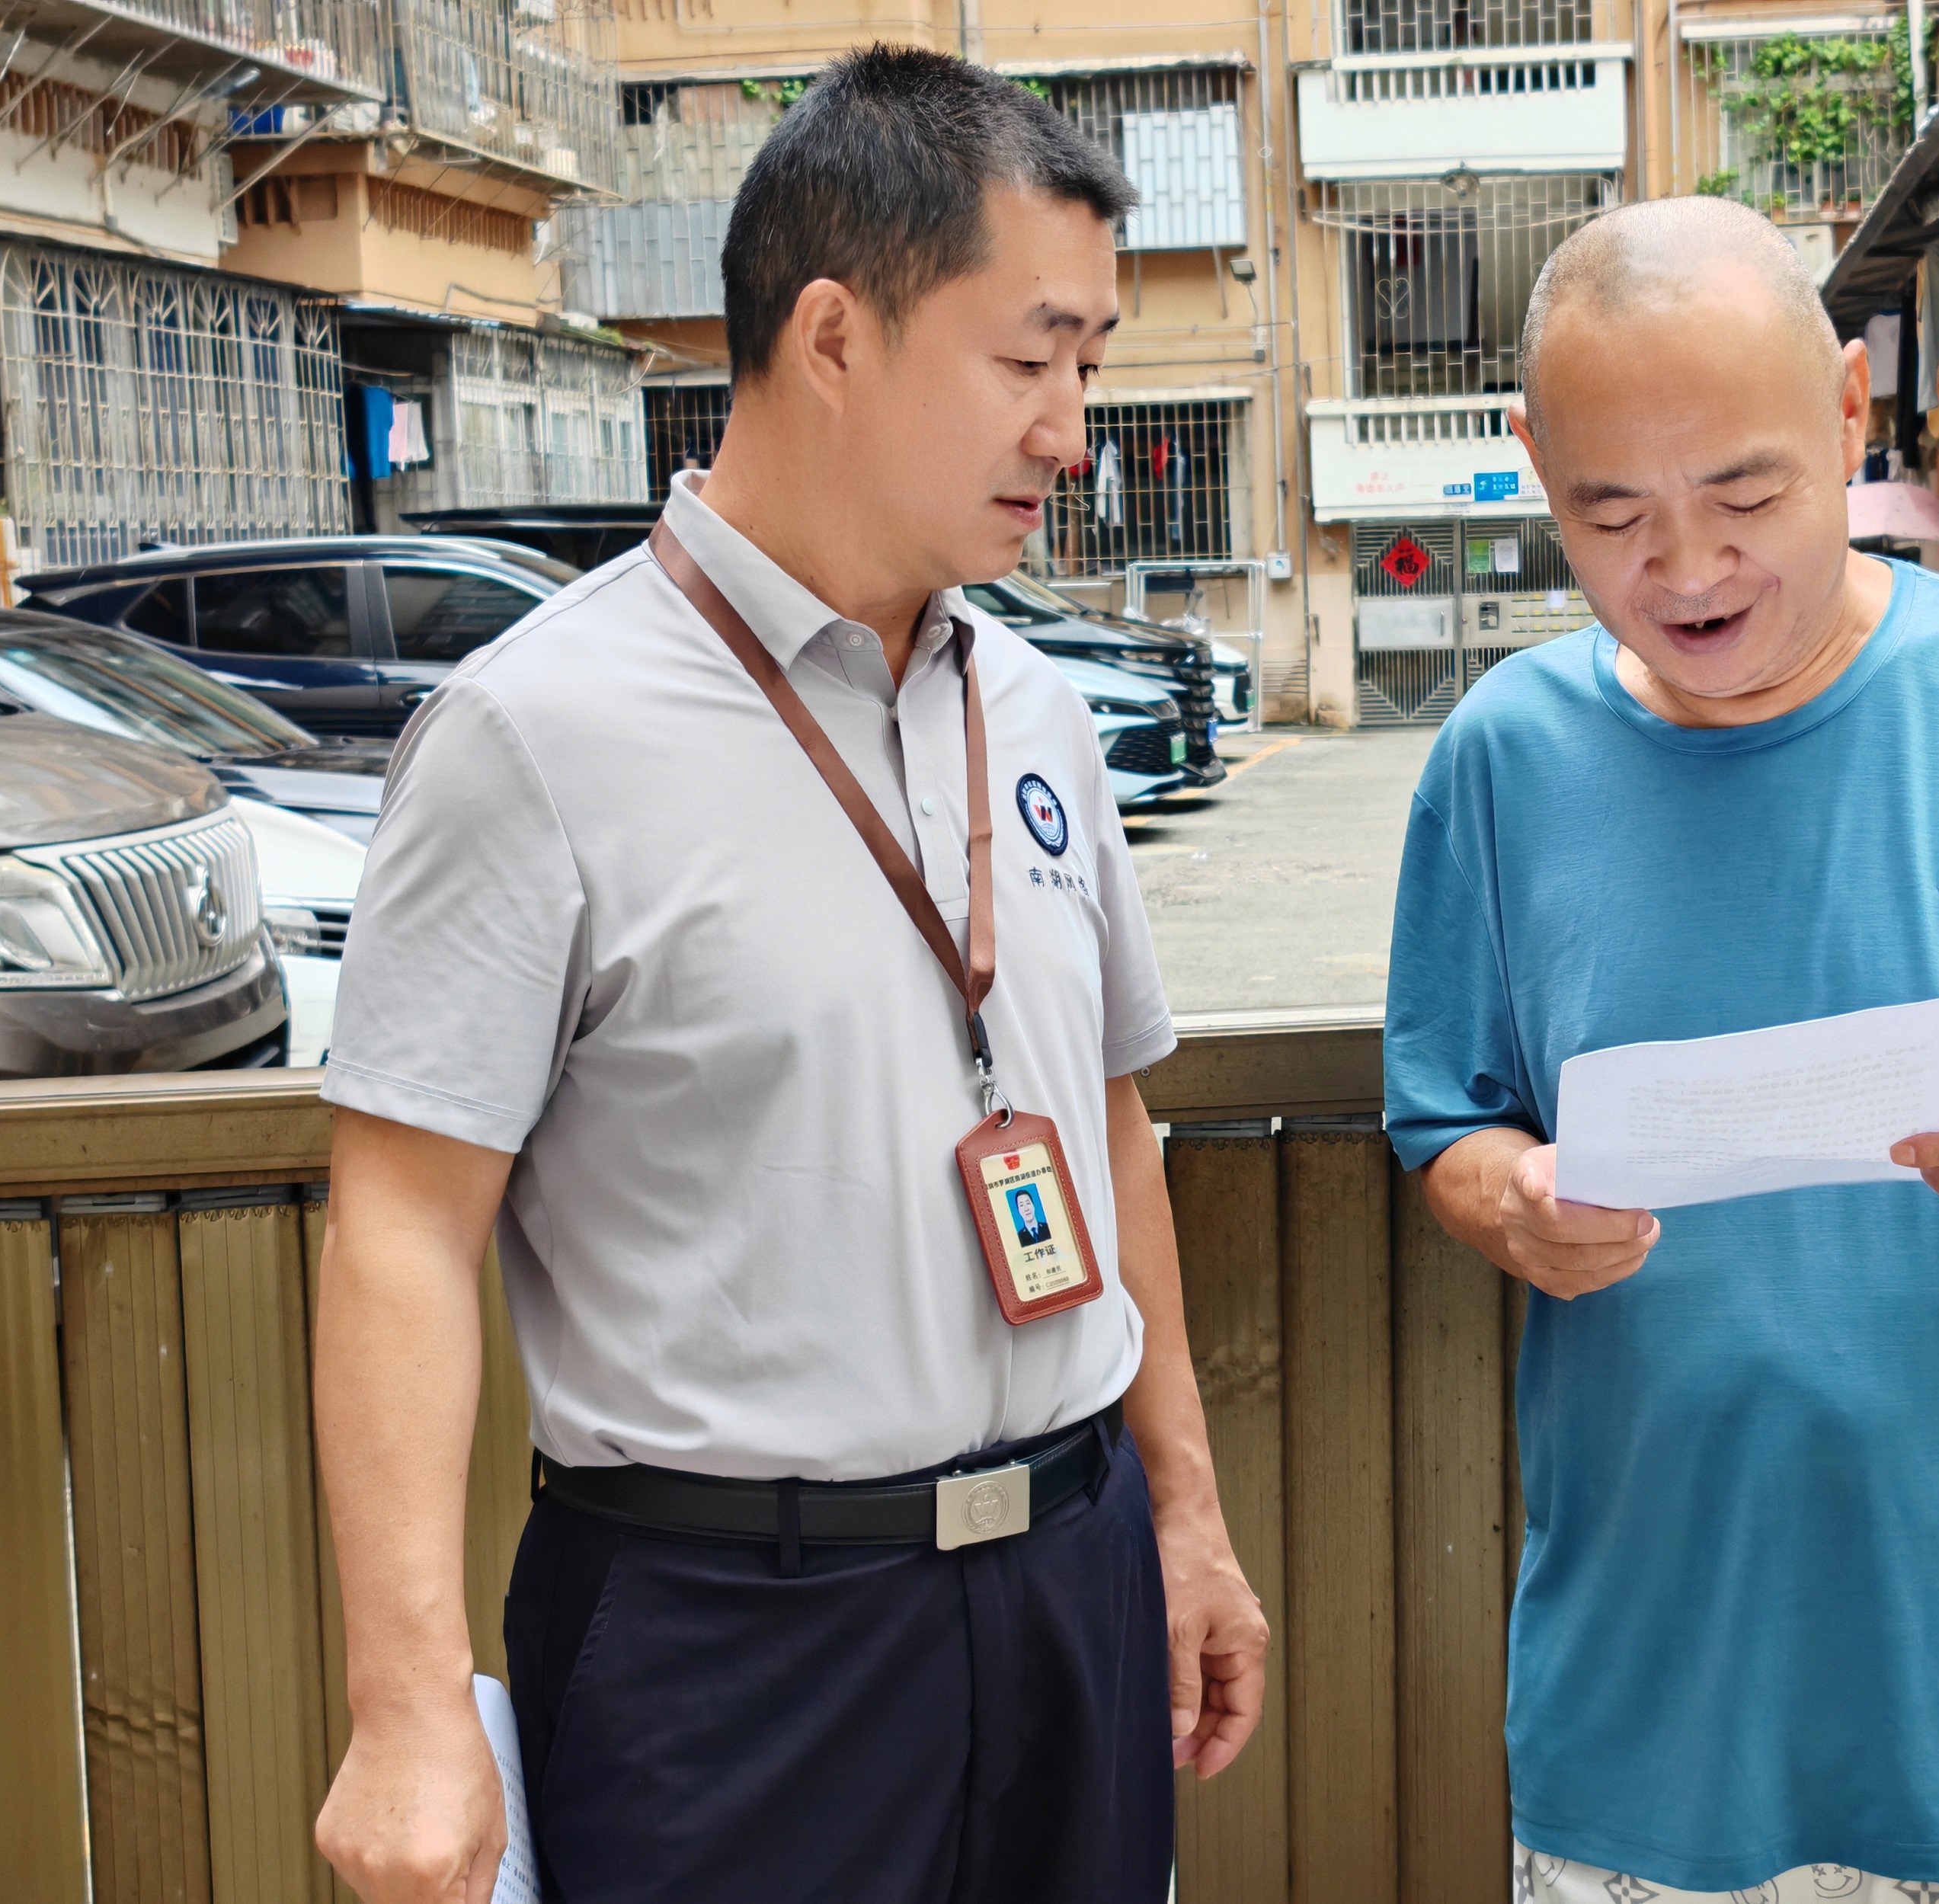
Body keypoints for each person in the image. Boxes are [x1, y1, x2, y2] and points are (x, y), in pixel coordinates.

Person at [310, 46, 1266, 1904]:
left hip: (1070, 1573)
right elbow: (403, 1222)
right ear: (833, 336)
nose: (1071, 434)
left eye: (1087, 369)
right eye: (1030, 360)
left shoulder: (1036, 708)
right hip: (729, 1638)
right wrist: (405, 1700)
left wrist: (1183, 1510)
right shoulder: (532, 730)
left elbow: (1109, 1125)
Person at [1383, 197, 1939, 1904]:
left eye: (1745, 495)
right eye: (1611, 514)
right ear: (1533, 467)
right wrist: (1511, 1202)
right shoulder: (1498, 757)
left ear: (1848, 414)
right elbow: (1441, 1124)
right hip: (1650, 1697)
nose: (1687, 569)